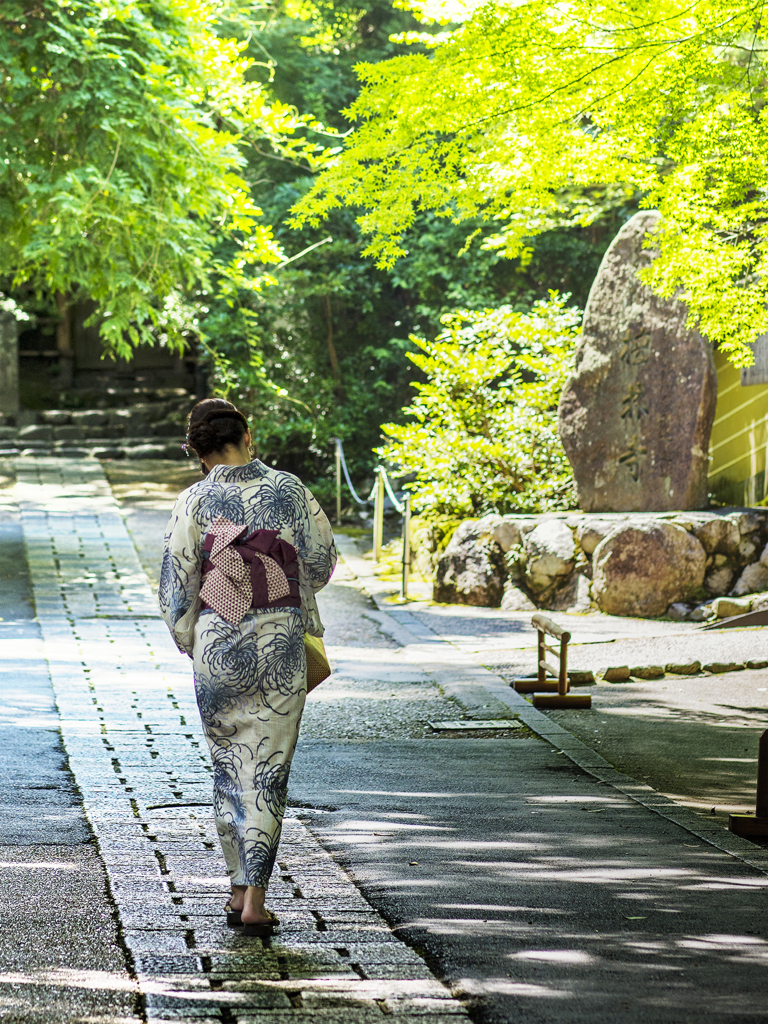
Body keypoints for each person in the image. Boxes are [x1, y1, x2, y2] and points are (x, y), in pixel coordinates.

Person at [159, 398, 336, 936]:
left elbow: (175, 586)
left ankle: (237, 887)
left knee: (229, 763)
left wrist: (195, 639)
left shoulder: (194, 499)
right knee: (269, 766)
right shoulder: (289, 490)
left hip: (219, 639)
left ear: (197, 449)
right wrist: (285, 590)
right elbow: (323, 563)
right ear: (247, 435)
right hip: (279, 639)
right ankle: (254, 897)